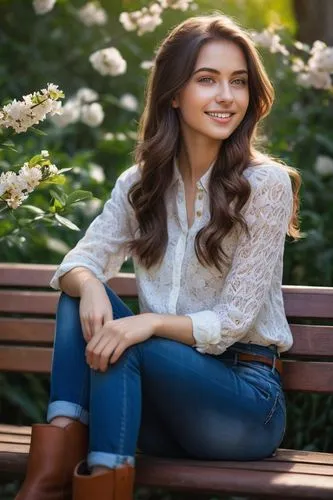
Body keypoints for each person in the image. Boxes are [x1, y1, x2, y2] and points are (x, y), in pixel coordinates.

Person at [16, 12, 301, 500]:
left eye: (238, 82)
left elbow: (233, 321)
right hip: (156, 408)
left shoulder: (264, 185)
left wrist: (146, 325)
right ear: (174, 92)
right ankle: (55, 468)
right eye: (206, 80)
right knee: (79, 296)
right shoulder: (140, 184)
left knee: (126, 341)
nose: (226, 97)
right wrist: (87, 287)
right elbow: (79, 262)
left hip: (243, 406)